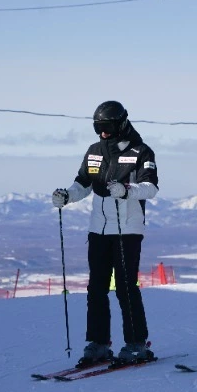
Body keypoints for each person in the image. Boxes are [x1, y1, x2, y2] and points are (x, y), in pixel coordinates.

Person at [52, 100, 159, 366]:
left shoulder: (140, 151)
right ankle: (98, 343)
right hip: (97, 229)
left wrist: (127, 191)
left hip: (127, 229)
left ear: (121, 123)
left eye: (108, 127)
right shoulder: (94, 151)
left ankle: (136, 343)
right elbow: (83, 184)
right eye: (98, 127)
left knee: (125, 287)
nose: (103, 133)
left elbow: (151, 188)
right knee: (96, 288)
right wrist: (67, 196)